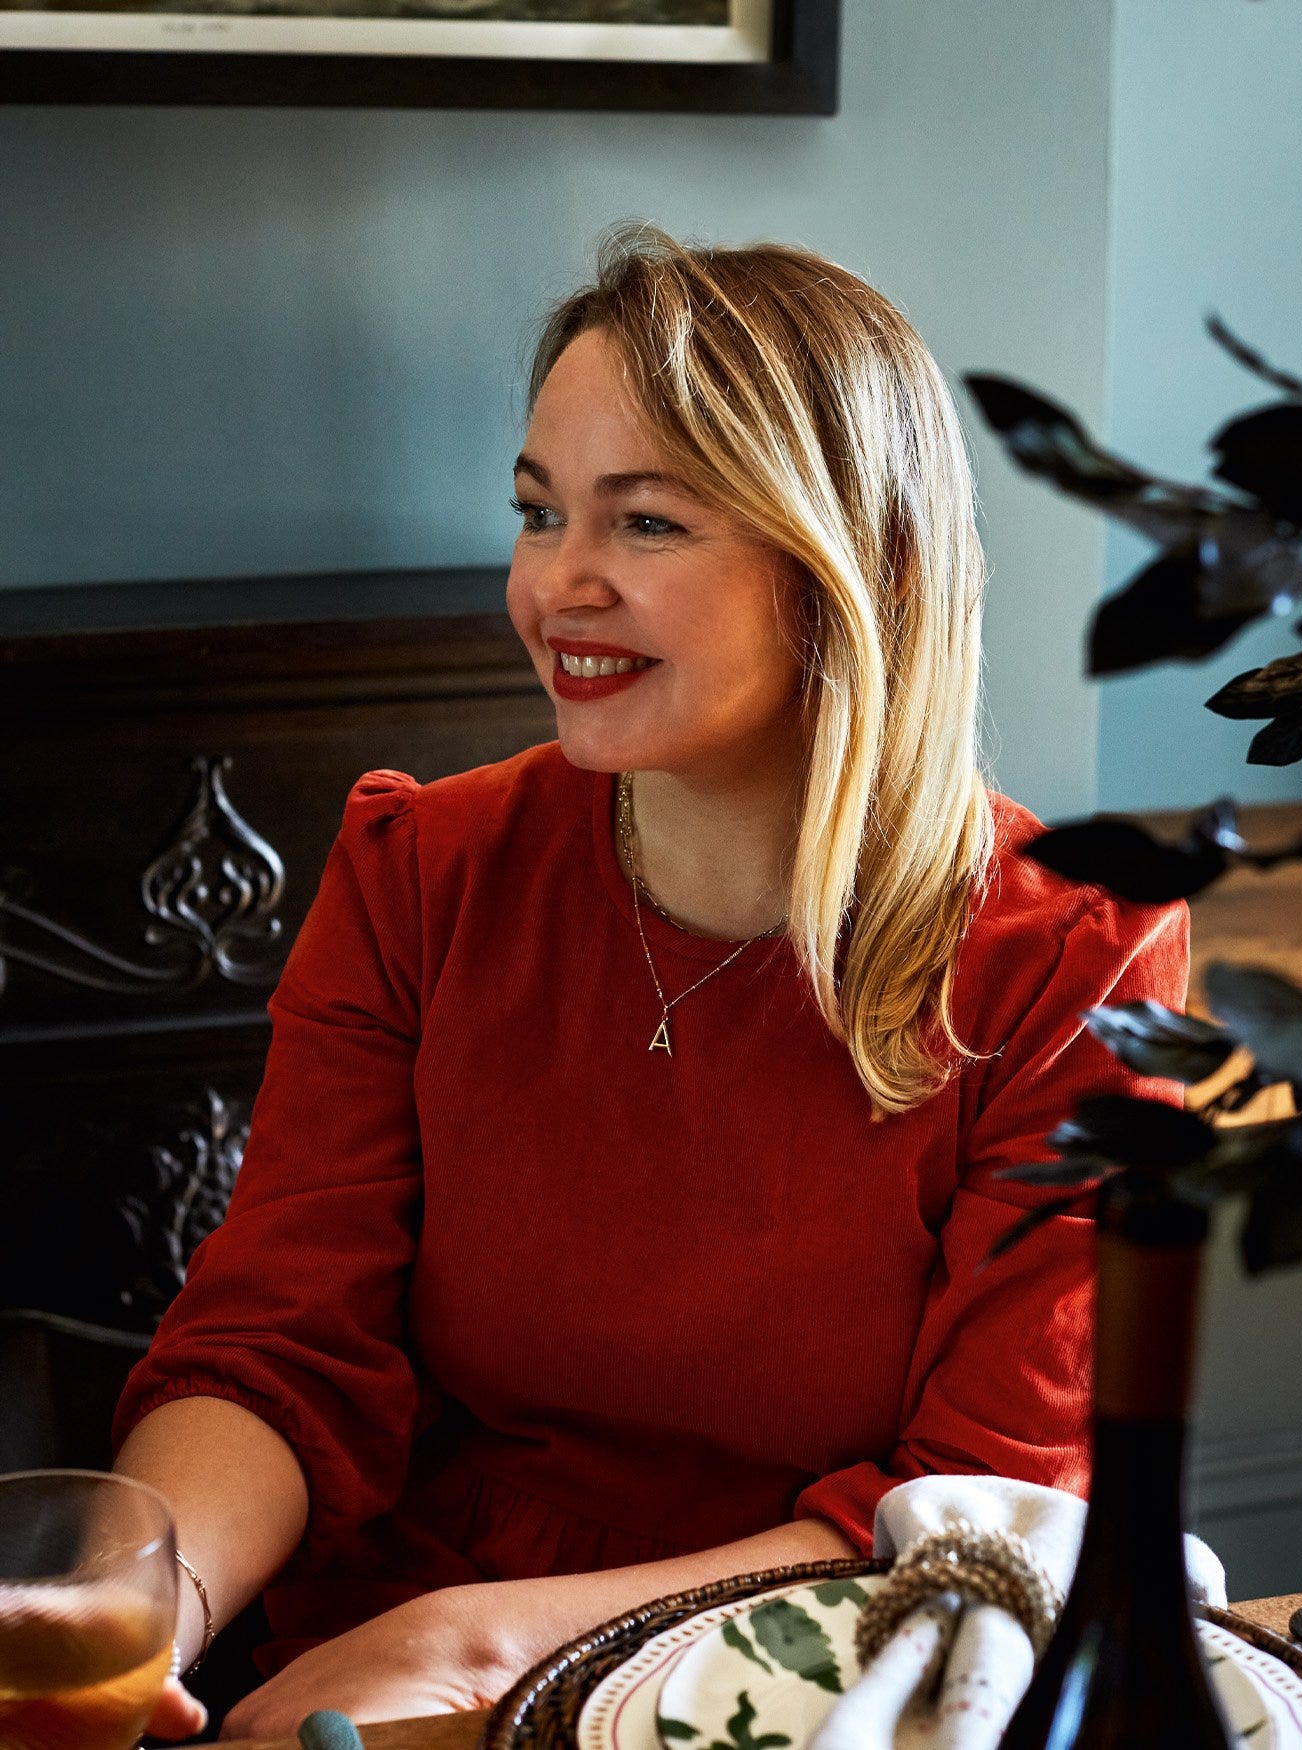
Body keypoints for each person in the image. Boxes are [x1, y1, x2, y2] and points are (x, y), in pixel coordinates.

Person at [114, 226, 1187, 1740]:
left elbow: (977, 1511)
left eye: (648, 525)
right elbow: (280, 1343)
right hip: (374, 1672)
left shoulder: (1074, 953)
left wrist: (483, 1640)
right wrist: (143, 1598)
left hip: (811, 1677)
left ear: (851, 561)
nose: (559, 582)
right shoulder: (422, 868)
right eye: (537, 511)